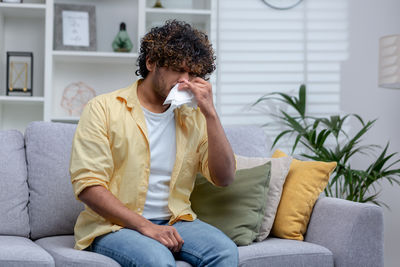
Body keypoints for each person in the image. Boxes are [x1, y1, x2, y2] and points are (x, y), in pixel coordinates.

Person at [69, 20, 238, 267]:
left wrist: (210, 113)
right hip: (114, 226)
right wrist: (146, 227)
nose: (185, 81)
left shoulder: (194, 117)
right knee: (158, 260)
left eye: (192, 73)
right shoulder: (103, 108)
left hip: (176, 221)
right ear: (151, 63)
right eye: (178, 70)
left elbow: (225, 178)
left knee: (225, 252)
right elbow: (88, 185)